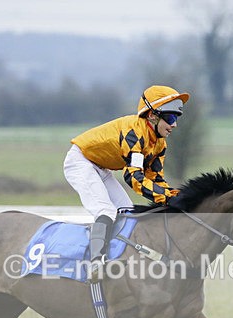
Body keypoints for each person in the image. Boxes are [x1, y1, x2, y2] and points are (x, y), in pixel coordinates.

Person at [63, 85, 190, 271]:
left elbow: (155, 179)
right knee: (106, 211)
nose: (174, 124)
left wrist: (174, 195)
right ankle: (95, 263)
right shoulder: (135, 133)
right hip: (80, 162)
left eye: (176, 118)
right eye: (170, 118)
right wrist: (167, 198)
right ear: (153, 116)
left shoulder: (159, 142)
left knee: (127, 213)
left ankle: (119, 257)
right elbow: (134, 178)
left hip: (101, 168)